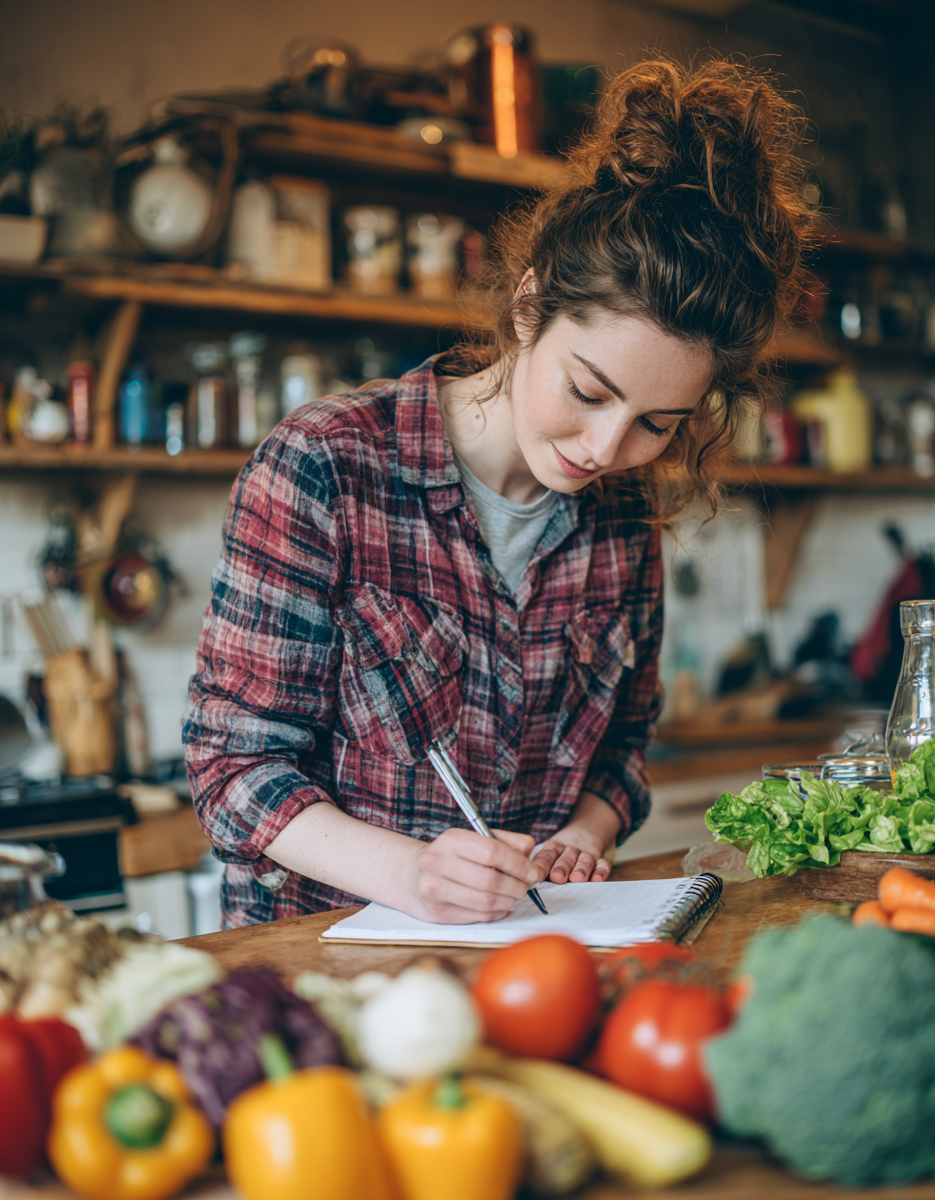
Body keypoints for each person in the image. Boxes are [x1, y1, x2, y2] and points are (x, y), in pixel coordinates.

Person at [184, 57, 815, 928]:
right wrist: (416, 876)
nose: (606, 448)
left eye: (657, 423)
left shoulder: (626, 516)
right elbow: (234, 769)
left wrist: (587, 833)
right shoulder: (325, 466)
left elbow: (623, 752)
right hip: (324, 968)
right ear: (528, 310)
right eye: (589, 393)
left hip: (543, 953)